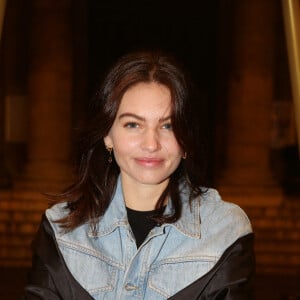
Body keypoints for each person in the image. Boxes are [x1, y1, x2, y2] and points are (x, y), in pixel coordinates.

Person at [24, 51, 255, 300]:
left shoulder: (225, 230)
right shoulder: (61, 229)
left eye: (168, 125)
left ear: (185, 138)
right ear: (108, 135)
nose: (151, 143)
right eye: (133, 124)